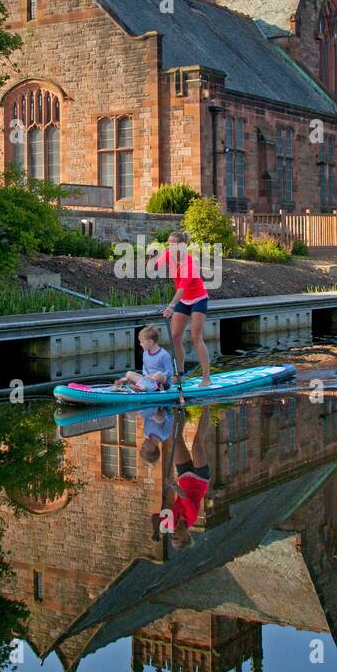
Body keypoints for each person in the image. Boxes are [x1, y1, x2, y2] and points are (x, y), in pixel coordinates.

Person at [158, 230, 211, 388]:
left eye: (173, 244)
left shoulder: (189, 263)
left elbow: (181, 289)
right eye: (169, 244)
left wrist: (170, 307)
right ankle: (180, 375)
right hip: (184, 300)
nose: (170, 247)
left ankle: (206, 377)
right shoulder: (169, 255)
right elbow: (154, 264)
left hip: (198, 299)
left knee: (196, 337)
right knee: (174, 336)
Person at [165, 404, 212, 549]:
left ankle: (179, 409)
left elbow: (164, 509)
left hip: (184, 478)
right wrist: (173, 486)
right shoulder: (191, 516)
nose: (173, 534)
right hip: (200, 480)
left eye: (172, 537)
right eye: (176, 537)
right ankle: (207, 405)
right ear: (186, 536)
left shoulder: (169, 523)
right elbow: (183, 496)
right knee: (197, 443)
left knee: (175, 439)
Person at [111, 325, 174, 392]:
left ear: (150, 342)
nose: (140, 344)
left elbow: (169, 372)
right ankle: (143, 386)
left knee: (159, 374)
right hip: (147, 380)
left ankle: (141, 387)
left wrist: (153, 376)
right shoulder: (145, 353)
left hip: (162, 383)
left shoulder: (164, 355)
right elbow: (144, 368)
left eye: (142, 342)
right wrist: (146, 375)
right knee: (128, 374)